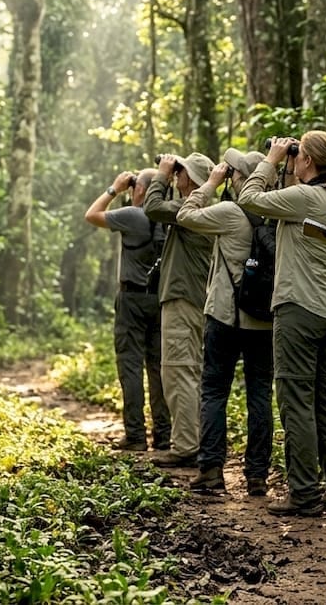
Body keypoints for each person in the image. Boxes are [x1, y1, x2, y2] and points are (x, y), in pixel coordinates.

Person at [236, 130, 326, 516]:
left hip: (299, 311)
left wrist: (270, 159)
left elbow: (249, 199)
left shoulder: (305, 197)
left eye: (297, 154)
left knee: (295, 403)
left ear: (306, 161)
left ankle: (303, 493)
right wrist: (290, 166)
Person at [175, 150, 274, 497]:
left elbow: (186, 214)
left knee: (215, 390)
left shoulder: (231, 213)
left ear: (239, 178)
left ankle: (212, 469)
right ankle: (257, 476)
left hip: (226, 316)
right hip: (264, 321)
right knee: (260, 395)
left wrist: (211, 183)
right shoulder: (275, 211)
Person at [83, 169, 171, 451]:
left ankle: (135, 436)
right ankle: (163, 435)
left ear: (142, 190)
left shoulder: (135, 215)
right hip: (159, 299)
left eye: (135, 187)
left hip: (132, 299)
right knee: (157, 368)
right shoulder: (169, 216)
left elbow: (92, 214)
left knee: (131, 366)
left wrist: (114, 189)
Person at [143, 152, 217, 467]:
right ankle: (191, 440)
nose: (176, 175)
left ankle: (186, 446)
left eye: (180, 172)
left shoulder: (193, 210)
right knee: (187, 370)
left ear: (194, 180)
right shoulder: (199, 209)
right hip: (191, 297)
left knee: (178, 371)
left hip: (184, 299)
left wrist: (160, 175)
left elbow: (152, 208)